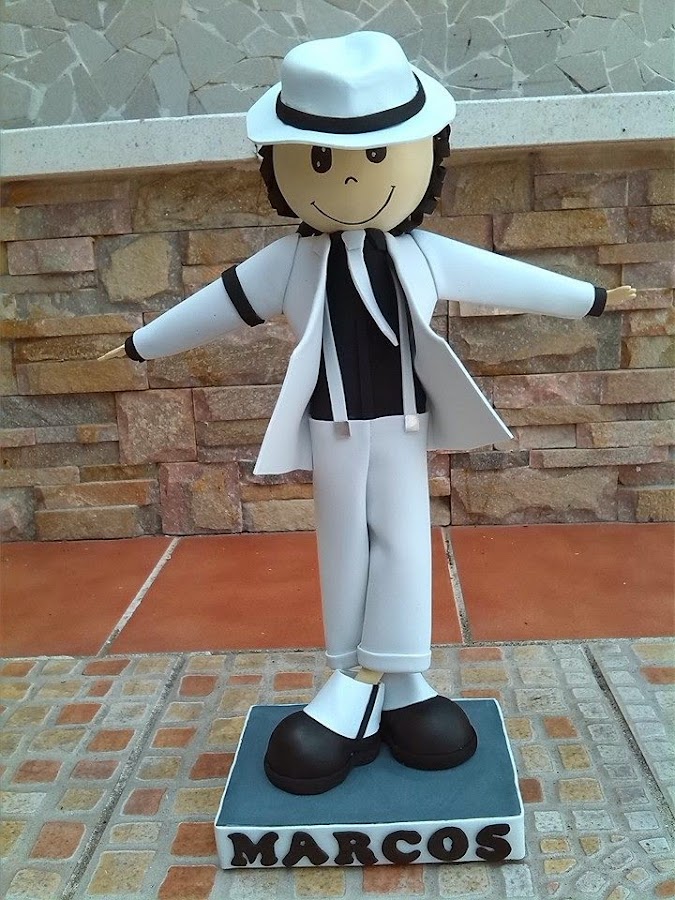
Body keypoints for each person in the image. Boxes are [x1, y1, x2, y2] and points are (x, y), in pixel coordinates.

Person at [102, 32, 636, 796]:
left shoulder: (425, 254)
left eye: (377, 153)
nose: (351, 175)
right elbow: (218, 303)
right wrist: (139, 344)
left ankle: (402, 679)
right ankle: (349, 678)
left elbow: (506, 276)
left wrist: (592, 298)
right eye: (320, 158)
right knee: (343, 549)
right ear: (279, 166)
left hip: (405, 428)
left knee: (407, 545)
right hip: (333, 431)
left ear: (428, 156)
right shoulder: (289, 262)